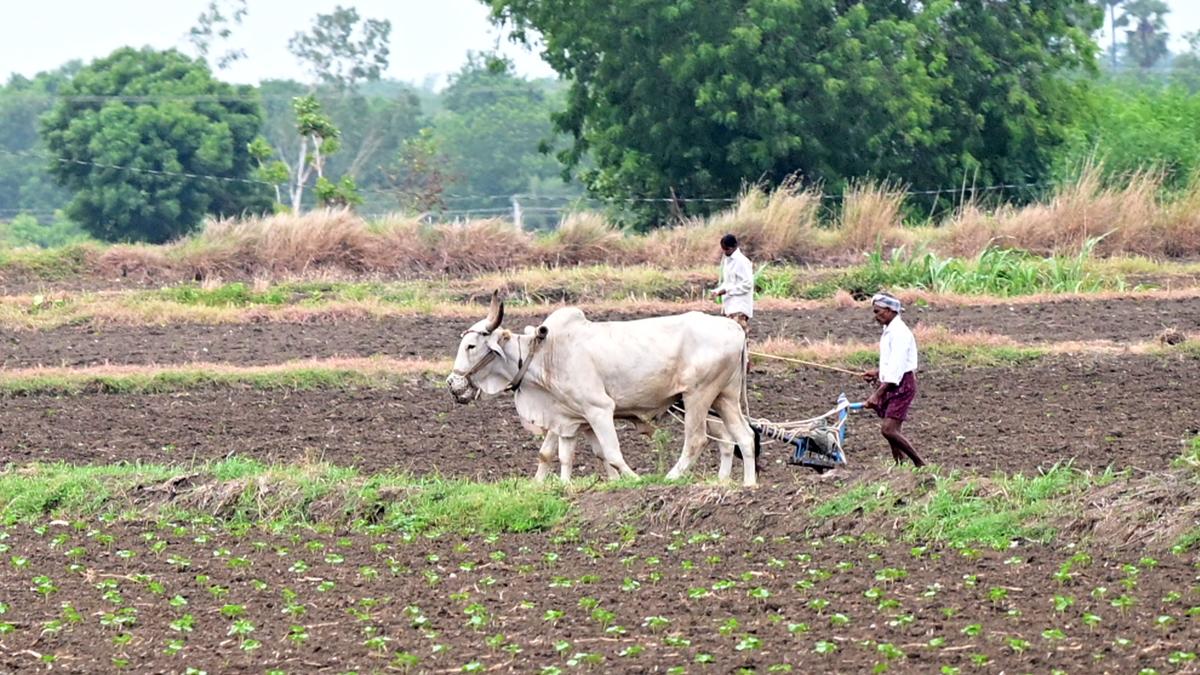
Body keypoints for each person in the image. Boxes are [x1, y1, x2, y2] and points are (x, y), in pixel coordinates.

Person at [861, 292, 925, 467]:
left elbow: (897, 369)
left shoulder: (899, 333)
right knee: (892, 430)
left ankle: (920, 464)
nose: (875, 316)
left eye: (877, 311)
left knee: (888, 430)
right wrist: (878, 372)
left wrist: (877, 394)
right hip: (894, 381)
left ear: (889, 310)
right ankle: (900, 466)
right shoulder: (889, 330)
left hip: (901, 384)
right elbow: (893, 362)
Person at [709, 233, 753, 333]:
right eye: (723, 249)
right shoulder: (728, 261)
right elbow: (728, 282)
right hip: (730, 306)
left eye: (727, 249)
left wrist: (727, 290)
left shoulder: (742, 262)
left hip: (739, 307)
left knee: (737, 336)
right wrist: (717, 291)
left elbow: (748, 284)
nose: (724, 252)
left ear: (734, 247)